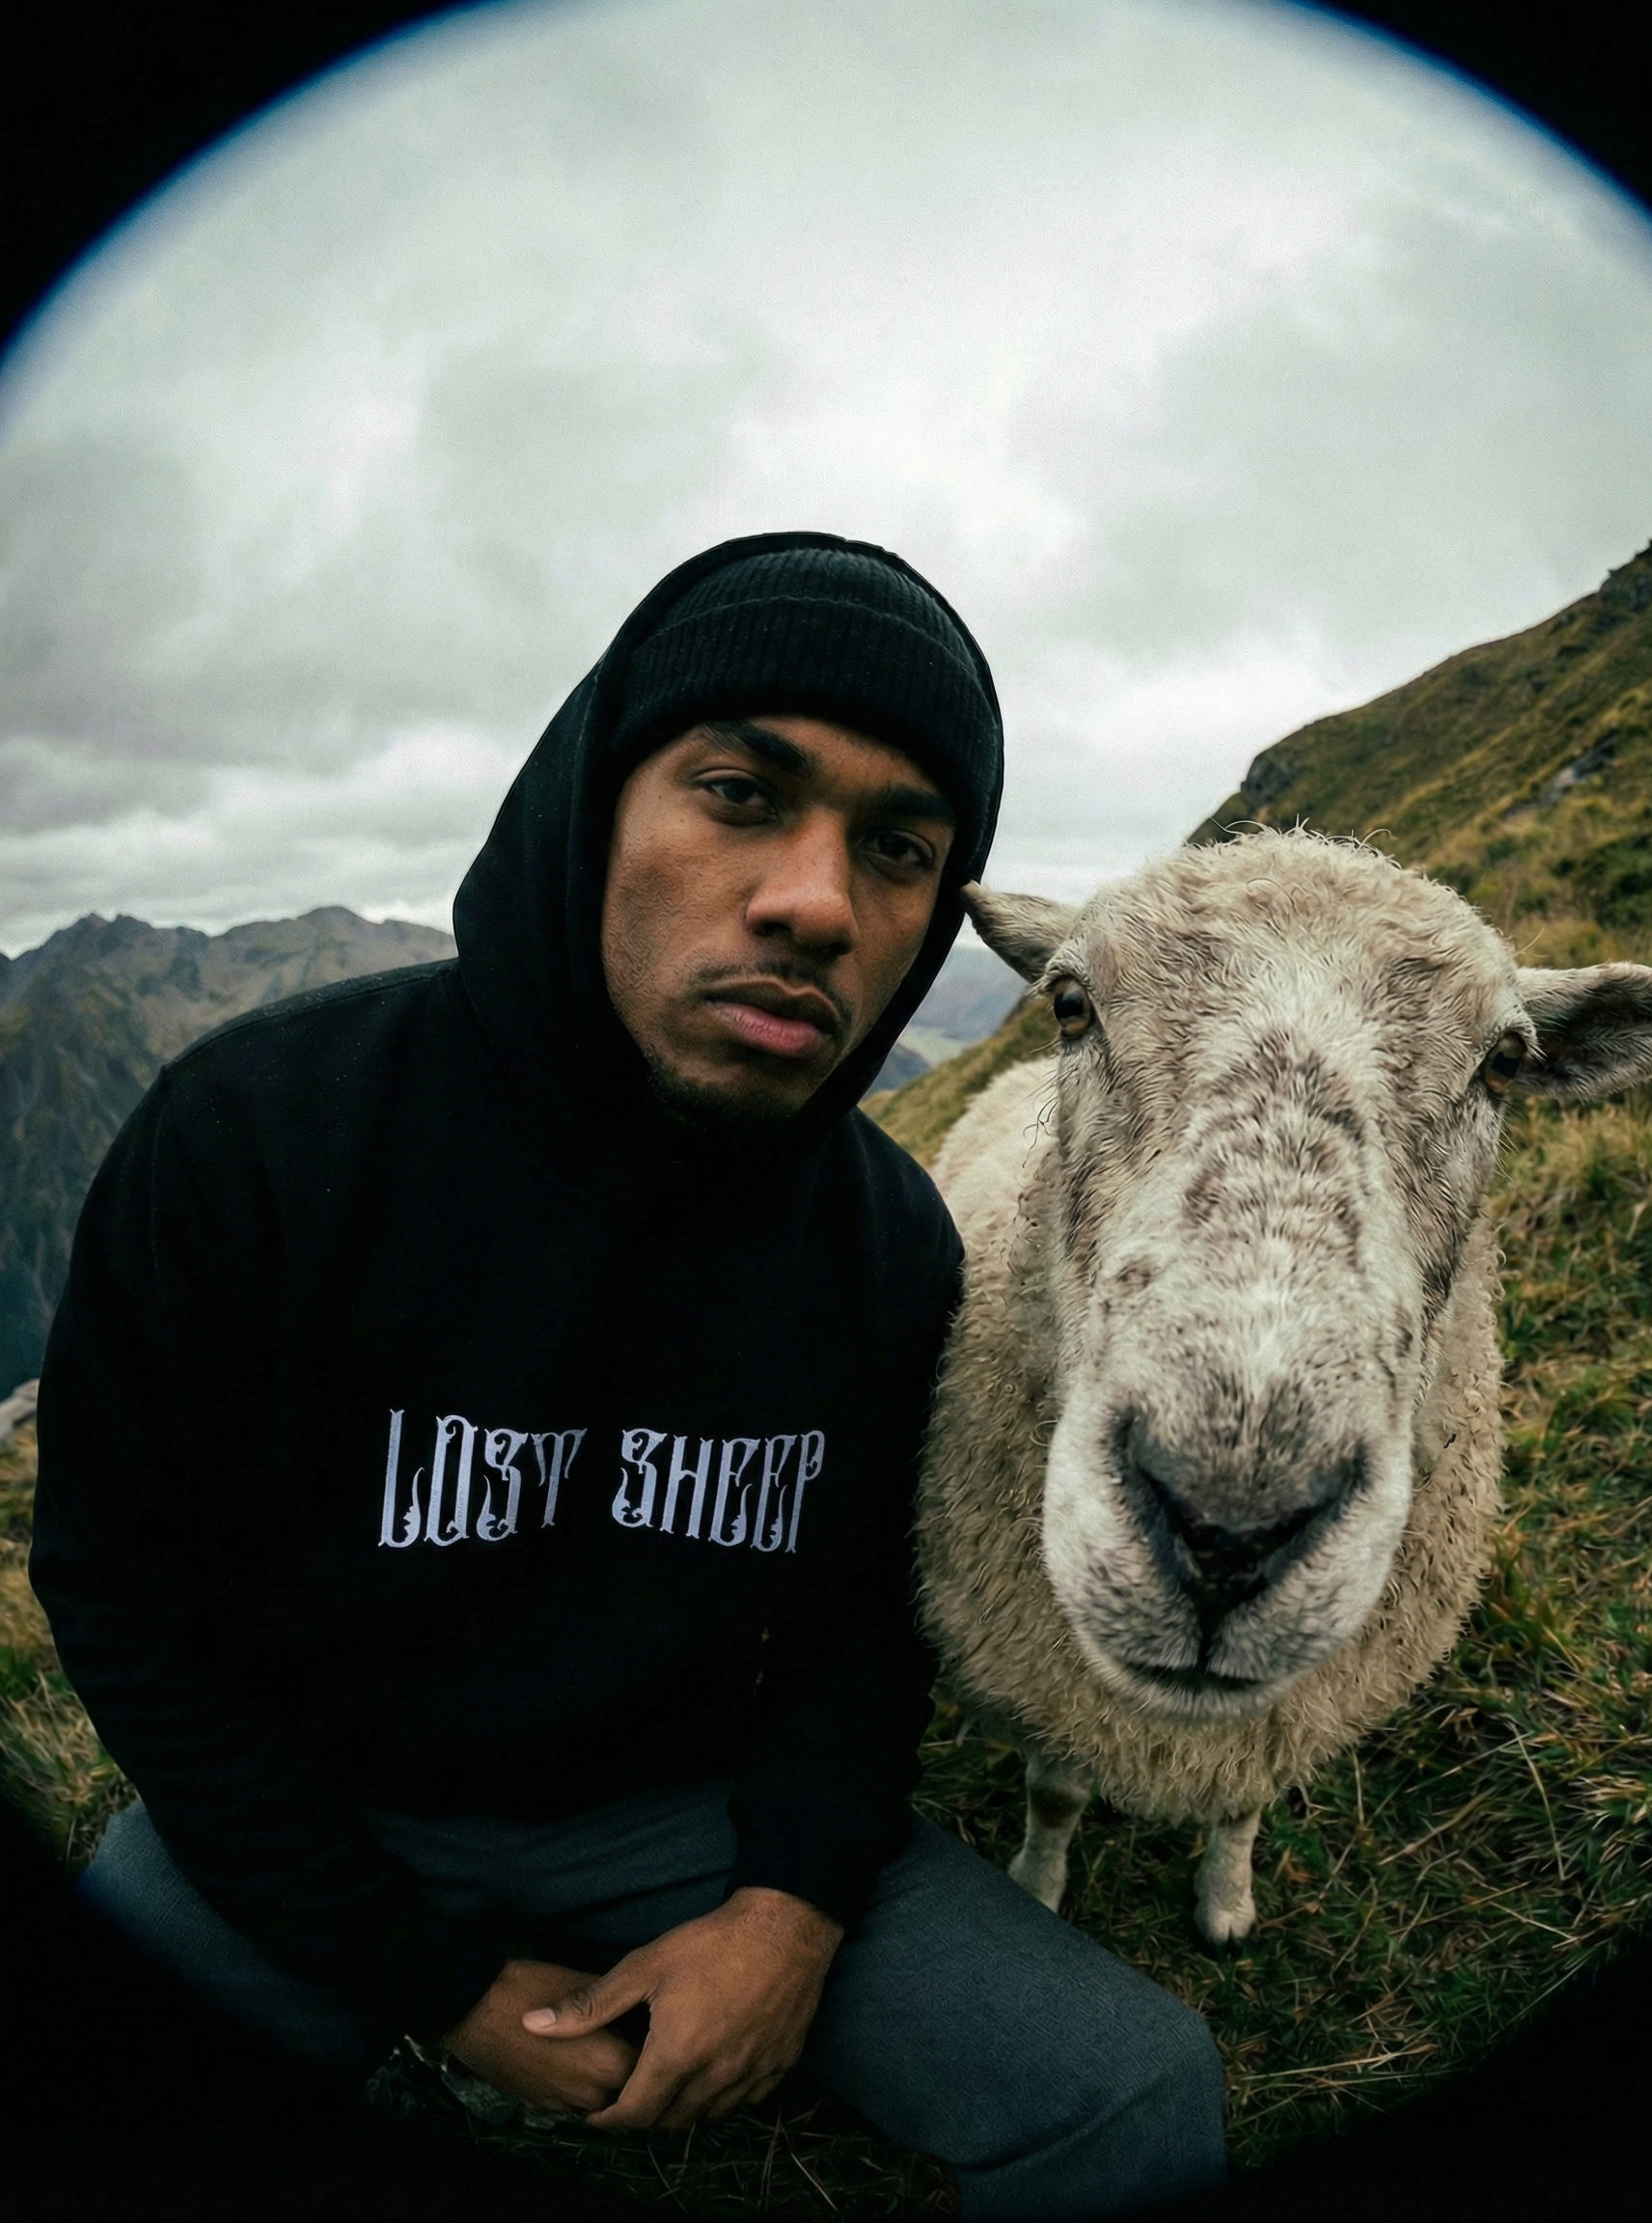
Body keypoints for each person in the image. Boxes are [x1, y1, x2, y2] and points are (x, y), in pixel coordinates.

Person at [30, 532, 1225, 2219]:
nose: (818, 903)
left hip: (681, 1816)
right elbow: (120, 1590)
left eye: (900, 848)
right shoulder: (260, 1132)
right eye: (740, 793)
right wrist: (428, 1977)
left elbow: (862, 1627)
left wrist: (789, 1916)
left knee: (1137, 2095)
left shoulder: (884, 1240)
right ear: (593, 803)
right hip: (311, 1801)